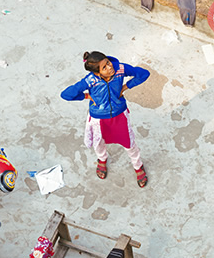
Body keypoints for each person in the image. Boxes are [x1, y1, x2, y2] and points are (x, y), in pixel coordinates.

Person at [61, 51, 150, 187]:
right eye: (104, 67)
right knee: (99, 143)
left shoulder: (120, 69)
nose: (109, 67)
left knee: (129, 143)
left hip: (119, 116)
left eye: (107, 62)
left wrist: (125, 87)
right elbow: (66, 94)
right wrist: (86, 96)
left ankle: (138, 166)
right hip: (98, 120)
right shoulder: (90, 80)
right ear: (97, 73)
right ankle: (102, 159)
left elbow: (143, 74)